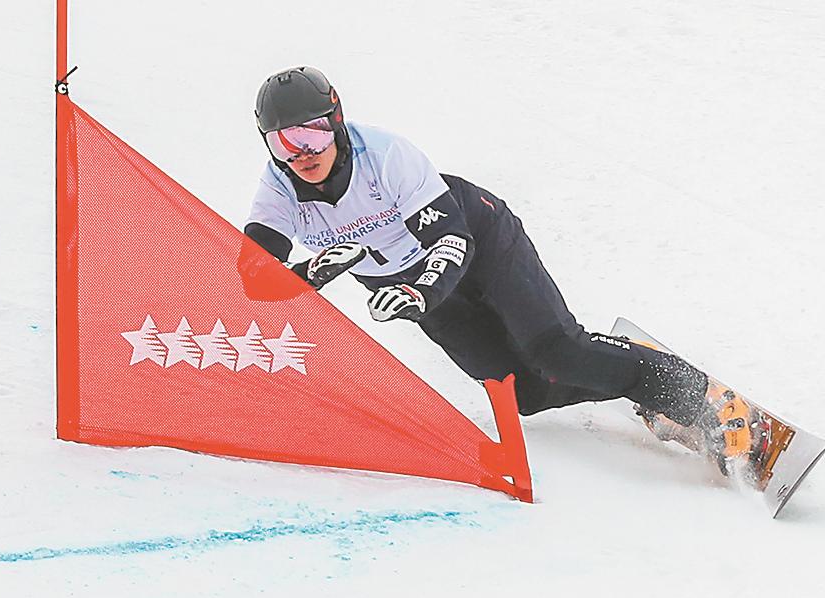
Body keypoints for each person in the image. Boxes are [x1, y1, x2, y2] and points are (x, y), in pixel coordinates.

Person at [244, 66, 744, 468]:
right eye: (282, 142)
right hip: (410, 284)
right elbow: (254, 283)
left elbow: (450, 243)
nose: (301, 153)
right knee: (523, 390)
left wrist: (421, 294)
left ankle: (699, 400)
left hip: (476, 242)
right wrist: (313, 273)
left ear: (335, 120)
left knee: (557, 351)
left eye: (310, 133)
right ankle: (632, 371)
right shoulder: (278, 193)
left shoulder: (388, 155)